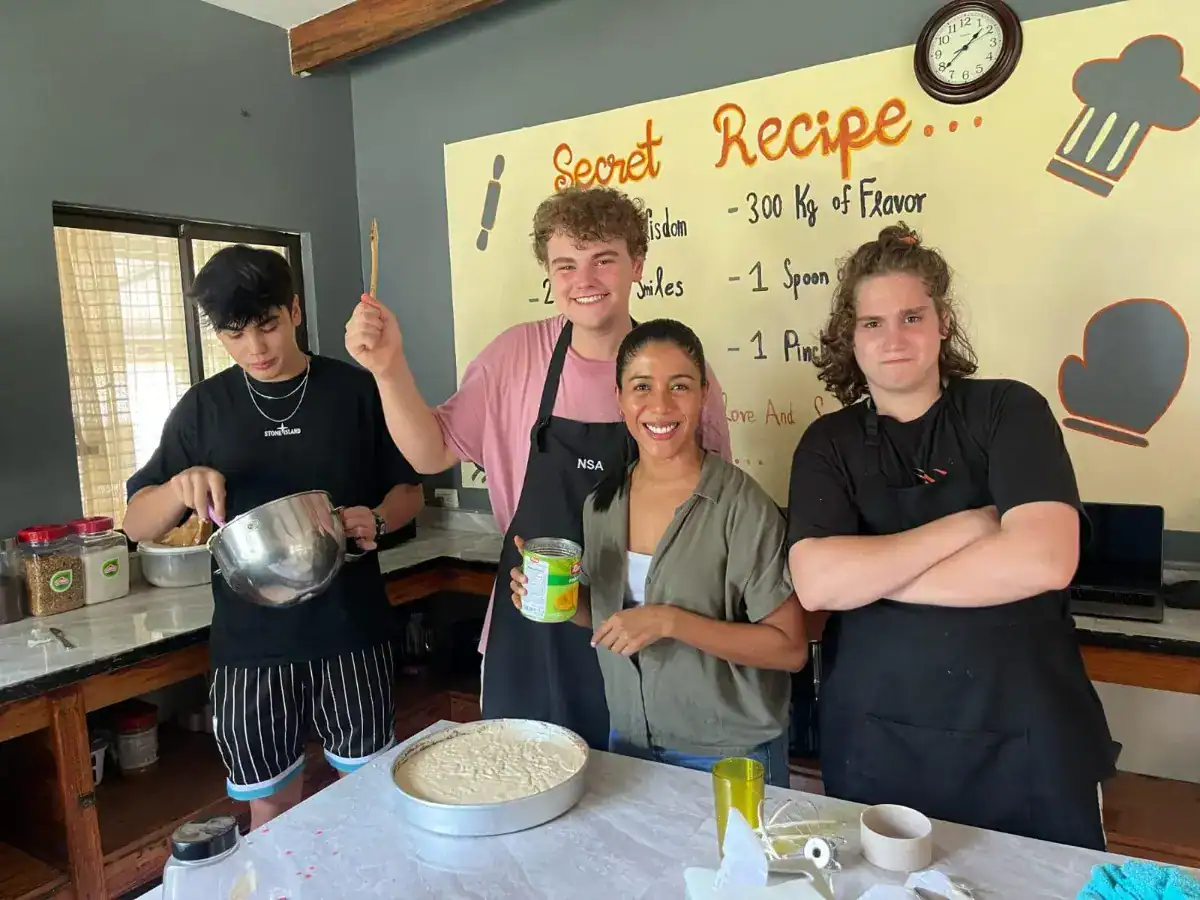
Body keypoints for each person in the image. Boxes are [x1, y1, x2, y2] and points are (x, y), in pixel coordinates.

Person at [345, 187, 732, 751]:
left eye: (604, 259)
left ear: (637, 265)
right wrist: (387, 367)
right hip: (532, 616)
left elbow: (715, 500)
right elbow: (430, 454)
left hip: (643, 626)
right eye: (566, 264)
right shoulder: (514, 358)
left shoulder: (677, 371)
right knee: (525, 791)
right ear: (550, 274)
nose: (585, 278)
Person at [785, 222, 1116, 850]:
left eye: (912, 316)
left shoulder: (1008, 410)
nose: (894, 339)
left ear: (943, 324)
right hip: (877, 744)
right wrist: (971, 524)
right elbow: (818, 582)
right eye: (872, 323)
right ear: (848, 339)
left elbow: (1044, 560)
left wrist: (874, 578)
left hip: (1027, 738)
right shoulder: (828, 444)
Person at [124, 246, 424, 828]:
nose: (256, 349)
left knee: (367, 792)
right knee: (271, 803)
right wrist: (179, 487)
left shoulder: (356, 392)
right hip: (250, 646)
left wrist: (379, 518)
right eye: (235, 334)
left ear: (295, 311)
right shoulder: (202, 410)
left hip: (350, 630)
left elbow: (409, 491)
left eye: (267, 326)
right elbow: (135, 523)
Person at [508, 319, 806, 786]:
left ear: (703, 394)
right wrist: (556, 596)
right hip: (628, 742)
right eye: (642, 387)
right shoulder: (603, 504)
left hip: (727, 755)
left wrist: (670, 621)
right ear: (620, 398)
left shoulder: (741, 507)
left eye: (680, 386)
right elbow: (608, 617)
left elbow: (789, 649)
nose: (660, 406)